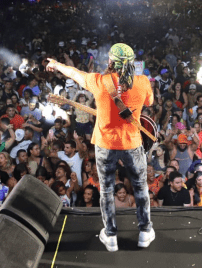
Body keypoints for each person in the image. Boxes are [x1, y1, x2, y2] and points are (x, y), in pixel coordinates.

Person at [47, 43, 155, 252]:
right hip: (132, 142)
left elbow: (75, 73)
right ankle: (144, 231)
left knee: (106, 190)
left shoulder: (99, 80)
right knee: (141, 187)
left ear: (110, 62)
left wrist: (56, 64)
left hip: (105, 144)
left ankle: (111, 235)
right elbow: (149, 102)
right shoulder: (142, 82)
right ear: (132, 64)